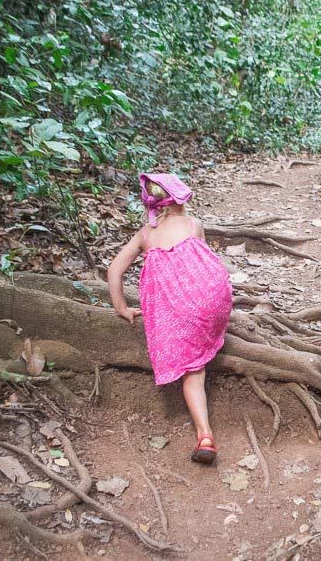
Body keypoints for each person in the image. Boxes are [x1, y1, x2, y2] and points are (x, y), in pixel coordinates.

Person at [107, 173, 232, 464]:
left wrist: (122, 308)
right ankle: (204, 429)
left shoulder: (145, 234)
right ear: (179, 199)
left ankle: (205, 435)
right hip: (213, 299)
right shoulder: (194, 225)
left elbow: (114, 271)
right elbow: (202, 263)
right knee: (198, 351)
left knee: (193, 372)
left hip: (177, 310)